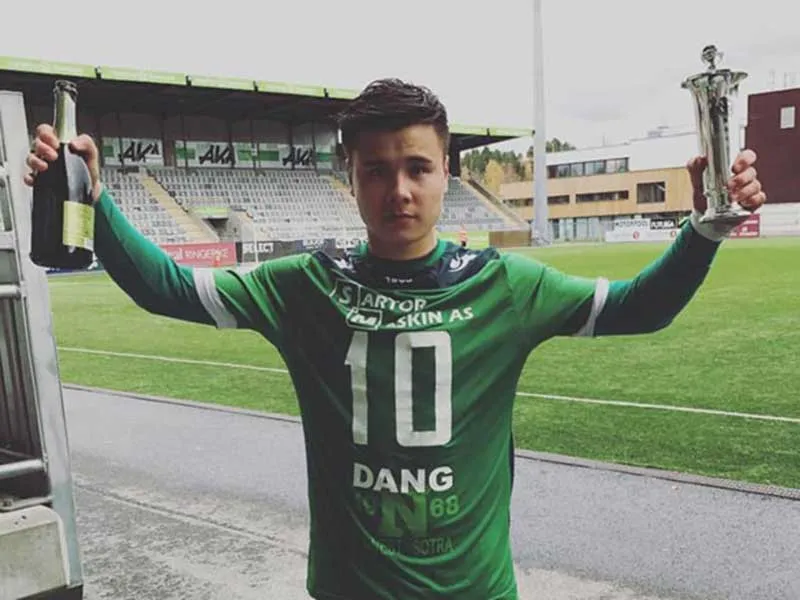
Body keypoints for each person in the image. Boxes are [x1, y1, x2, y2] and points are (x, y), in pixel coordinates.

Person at [25, 78, 765, 600]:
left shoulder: (506, 285)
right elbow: (168, 287)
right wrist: (97, 197)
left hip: (473, 591)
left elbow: (640, 308)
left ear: (447, 173)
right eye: (376, 171)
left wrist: (704, 228)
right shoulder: (305, 285)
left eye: (417, 168)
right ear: (349, 177)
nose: (399, 190)